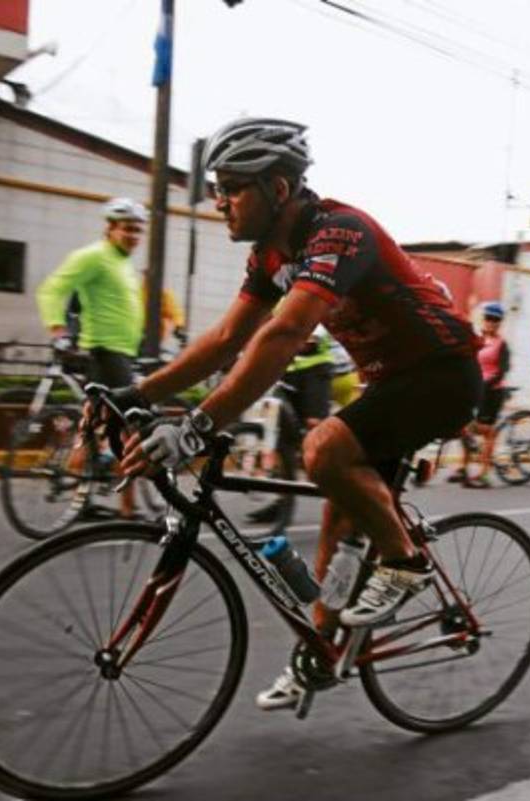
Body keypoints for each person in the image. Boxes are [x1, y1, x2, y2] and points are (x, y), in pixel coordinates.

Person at [110, 117, 480, 711]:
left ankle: (405, 562)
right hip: (390, 383)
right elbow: (227, 339)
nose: (219, 202)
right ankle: (321, 655)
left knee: (323, 450)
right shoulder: (270, 255)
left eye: (232, 188)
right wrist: (140, 394)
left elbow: (284, 333)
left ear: (278, 188)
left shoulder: (340, 232)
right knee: (336, 524)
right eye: (217, 188)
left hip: (442, 374)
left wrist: (197, 427)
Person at [37, 196, 148, 518]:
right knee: (130, 432)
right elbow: (52, 288)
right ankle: (127, 510)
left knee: (92, 428)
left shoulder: (122, 262)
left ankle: (80, 498)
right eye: (127, 228)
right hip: (107, 353)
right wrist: (57, 330)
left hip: (122, 354)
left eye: (138, 230)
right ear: (110, 227)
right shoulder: (94, 256)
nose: (133, 236)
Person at [459, 301, 511, 488]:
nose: (491, 322)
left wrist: (484, 385)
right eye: (489, 318)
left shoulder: (502, 344)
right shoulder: (476, 338)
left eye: (496, 319)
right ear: (483, 319)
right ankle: (463, 468)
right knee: (463, 427)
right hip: (474, 388)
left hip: (492, 392)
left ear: (500, 322)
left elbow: (502, 371)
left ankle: (484, 472)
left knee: (486, 431)